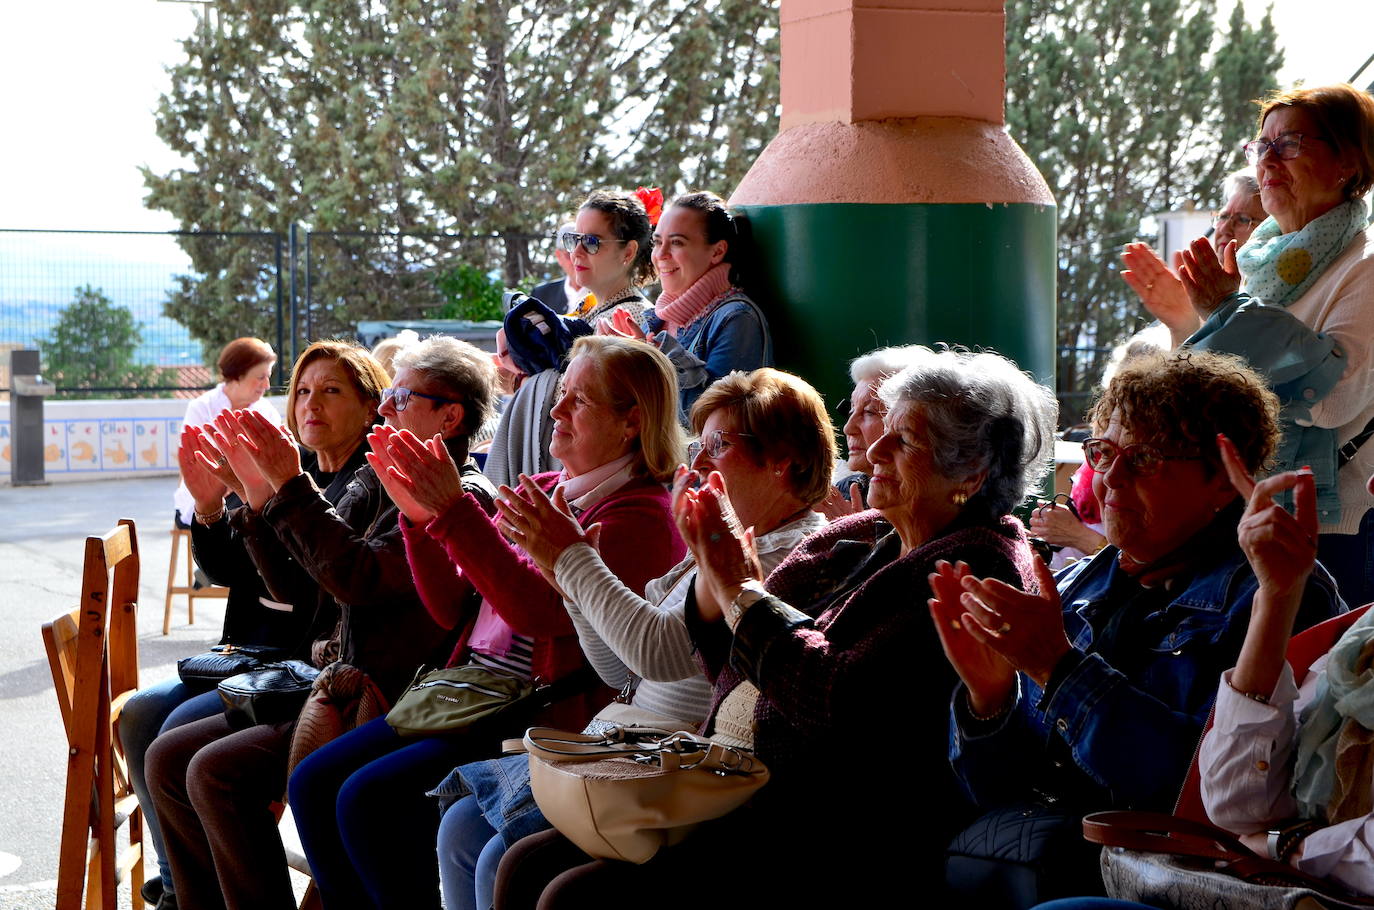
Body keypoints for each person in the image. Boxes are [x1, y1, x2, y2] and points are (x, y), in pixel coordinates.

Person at [499, 346, 1057, 906]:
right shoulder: (862, 536)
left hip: (826, 825)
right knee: (527, 861)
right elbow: (734, 670)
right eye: (882, 428)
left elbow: (833, 702)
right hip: (730, 781)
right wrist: (723, 588)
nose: (873, 450)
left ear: (972, 471)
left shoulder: (973, 567)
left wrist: (737, 590)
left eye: (904, 440)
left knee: (571, 895)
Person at [285, 334, 686, 910]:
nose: (554, 409)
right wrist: (419, 517)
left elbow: (545, 616)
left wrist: (451, 513)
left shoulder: (638, 515)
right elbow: (451, 608)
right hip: (469, 692)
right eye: (561, 395)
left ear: (631, 423)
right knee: (313, 782)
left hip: (532, 713)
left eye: (578, 400)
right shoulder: (545, 490)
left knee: (363, 798)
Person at [930, 350, 1344, 900]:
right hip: (1042, 861)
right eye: (1103, 454)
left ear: (1223, 482)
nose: (1111, 479)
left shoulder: (1281, 590)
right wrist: (990, 702)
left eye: (1145, 459)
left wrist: (1058, 668)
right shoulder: (1080, 584)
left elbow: (1214, 796)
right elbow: (996, 791)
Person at [437, 368, 834, 910]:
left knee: (496, 853)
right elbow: (622, 673)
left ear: (783, 460)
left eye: (717, 445)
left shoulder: (779, 553)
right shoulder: (724, 541)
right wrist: (570, 583)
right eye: (698, 444)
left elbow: (663, 653)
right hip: (625, 745)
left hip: (668, 771)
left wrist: (574, 562)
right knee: (460, 827)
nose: (696, 464)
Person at [146, 336, 498, 910]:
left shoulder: (461, 498)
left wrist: (282, 490)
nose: (385, 408)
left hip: (383, 695)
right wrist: (250, 499)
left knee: (212, 770)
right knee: (167, 753)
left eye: (399, 397)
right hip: (327, 680)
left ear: (450, 415)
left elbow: (359, 578)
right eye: (303, 391)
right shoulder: (378, 480)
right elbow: (297, 588)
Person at [126, 340, 378, 910]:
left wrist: (262, 498)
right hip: (251, 652)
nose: (310, 404)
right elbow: (227, 573)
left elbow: (297, 592)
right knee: (143, 715)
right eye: (304, 391)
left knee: (175, 737)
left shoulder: (344, 484)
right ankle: (177, 883)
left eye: (331, 391)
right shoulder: (301, 468)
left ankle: (191, 888)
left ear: (371, 407)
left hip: (292, 665)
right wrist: (212, 508)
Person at [1147, 84, 1374, 607]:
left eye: (1290, 143)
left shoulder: (1365, 263)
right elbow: (1246, 364)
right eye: (1262, 144)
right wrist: (1214, 315)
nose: (1268, 159)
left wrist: (1228, 313)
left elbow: (1333, 398)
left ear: (1348, 160)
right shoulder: (1266, 262)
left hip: (1335, 522)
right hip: (1253, 508)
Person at [1199, 443, 1374, 897]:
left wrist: (1289, 846)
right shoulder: (1361, 638)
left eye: (1143, 459)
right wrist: (1276, 597)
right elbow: (1236, 807)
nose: (1372, 486)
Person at [610, 191, 772, 419]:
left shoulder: (737, 319)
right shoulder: (652, 320)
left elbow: (712, 424)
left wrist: (648, 366)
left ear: (717, 251)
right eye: (657, 242)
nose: (661, 254)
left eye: (676, 242)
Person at [1121, 169, 1267, 348]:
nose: (1225, 228)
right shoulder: (1198, 293)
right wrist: (1182, 327)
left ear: (1271, 230)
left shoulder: (1271, 298)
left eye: (1243, 219)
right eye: (1223, 216)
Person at [172, 337, 280, 528]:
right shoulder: (202, 408)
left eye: (268, 376)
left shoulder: (266, 411)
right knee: (256, 516)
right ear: (238, 374)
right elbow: (192, 461)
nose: (267, 385)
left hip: (253, 492)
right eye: (261, 377)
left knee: (268, 510)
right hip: (208, 495)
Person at [819, 344, 926, 520]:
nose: (848, 428)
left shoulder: (928, 502)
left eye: (869, 412)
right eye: (852, 410)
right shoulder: (846, 491)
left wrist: (857, 535)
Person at [561, 189, 654, 328]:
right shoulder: (588, 306)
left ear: (628, 252)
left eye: (591, 242)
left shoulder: (629, 319)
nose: (576, 253)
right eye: (573, 239)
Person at [529, 221, 588, 315]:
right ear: (559, 256)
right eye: (569, 254)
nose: (575, 259)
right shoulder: (541, 295)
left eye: (585, 251)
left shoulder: (606, 294)